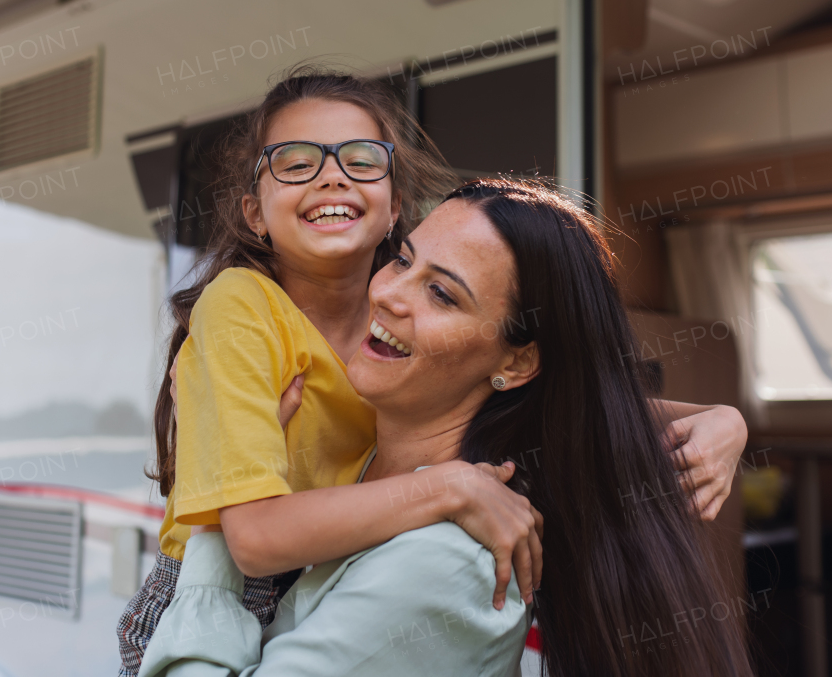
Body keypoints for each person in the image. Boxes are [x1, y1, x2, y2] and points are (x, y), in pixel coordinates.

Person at [118, 67, 749, 675]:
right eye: (295, 162)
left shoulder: (379, 353)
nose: (331, 178)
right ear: (255, 212)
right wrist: (447, 486)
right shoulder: (245, 309)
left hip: (274, 578)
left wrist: (722, 419)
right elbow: (251, 539)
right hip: (201, 589)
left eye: (360, 161)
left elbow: (575, 399)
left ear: (394, 207)